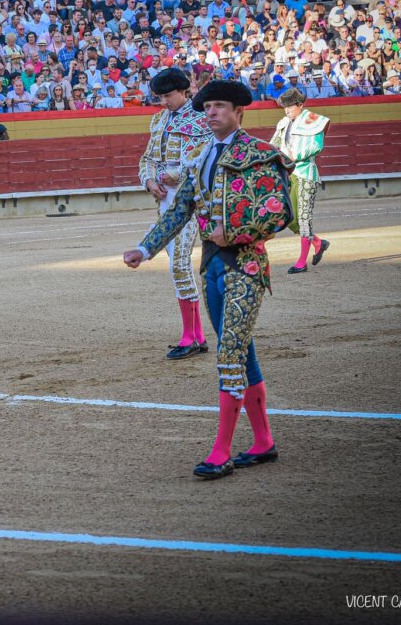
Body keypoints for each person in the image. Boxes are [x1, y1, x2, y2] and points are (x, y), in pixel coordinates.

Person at [124, 80, 294, 480]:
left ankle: (221, 452)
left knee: (229, 356)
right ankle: (264, 442)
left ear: (239, 112)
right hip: (213, 267)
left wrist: (235, 233)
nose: (212, 112)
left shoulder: (261, 154)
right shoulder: (200, 154)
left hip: (246, 267)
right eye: (208, 107)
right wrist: (145, 249)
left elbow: (279, 211)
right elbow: (180, 208)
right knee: (240, 351)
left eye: (220, 106)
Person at [137, 68, 213, 359]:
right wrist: (148, 181)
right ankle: (196, 335)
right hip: (164, 203)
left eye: (168, 95)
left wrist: (174, 174)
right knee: (176, 266)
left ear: (184, 91)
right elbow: (147, 158)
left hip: (191, 201)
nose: (164, 102)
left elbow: (203, 158)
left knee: (179, 265)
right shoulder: (158, 119)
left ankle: (191, 336)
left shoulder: (200, 119)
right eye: (160, 97)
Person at [271, 89, 331, 273]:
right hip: (288, 175)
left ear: (300, 105)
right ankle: (318, 242)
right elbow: (274, 144)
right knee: (287, 216)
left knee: (304, 217)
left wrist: (293, 156)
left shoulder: (314, 121)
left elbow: (316, 146)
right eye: (285, 106)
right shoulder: (284, 122)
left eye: (290, 106)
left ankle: (301, 262)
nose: (287, 110)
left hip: (306, 174)